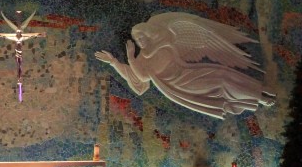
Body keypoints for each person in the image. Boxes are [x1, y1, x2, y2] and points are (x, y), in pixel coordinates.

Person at [95, 12, 275, 119]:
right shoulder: (141, 59)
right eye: (136, 39)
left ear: (149, 34)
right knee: (221, 84)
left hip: (189, 73)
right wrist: (117, 61)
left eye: (141, 37)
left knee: (223, 74)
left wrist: (131, 59)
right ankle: (259, 97)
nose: (140, 41)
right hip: (182, 84)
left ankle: (260, 90)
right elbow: (139, 77)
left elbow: (141, 72)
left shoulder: (164, 45)